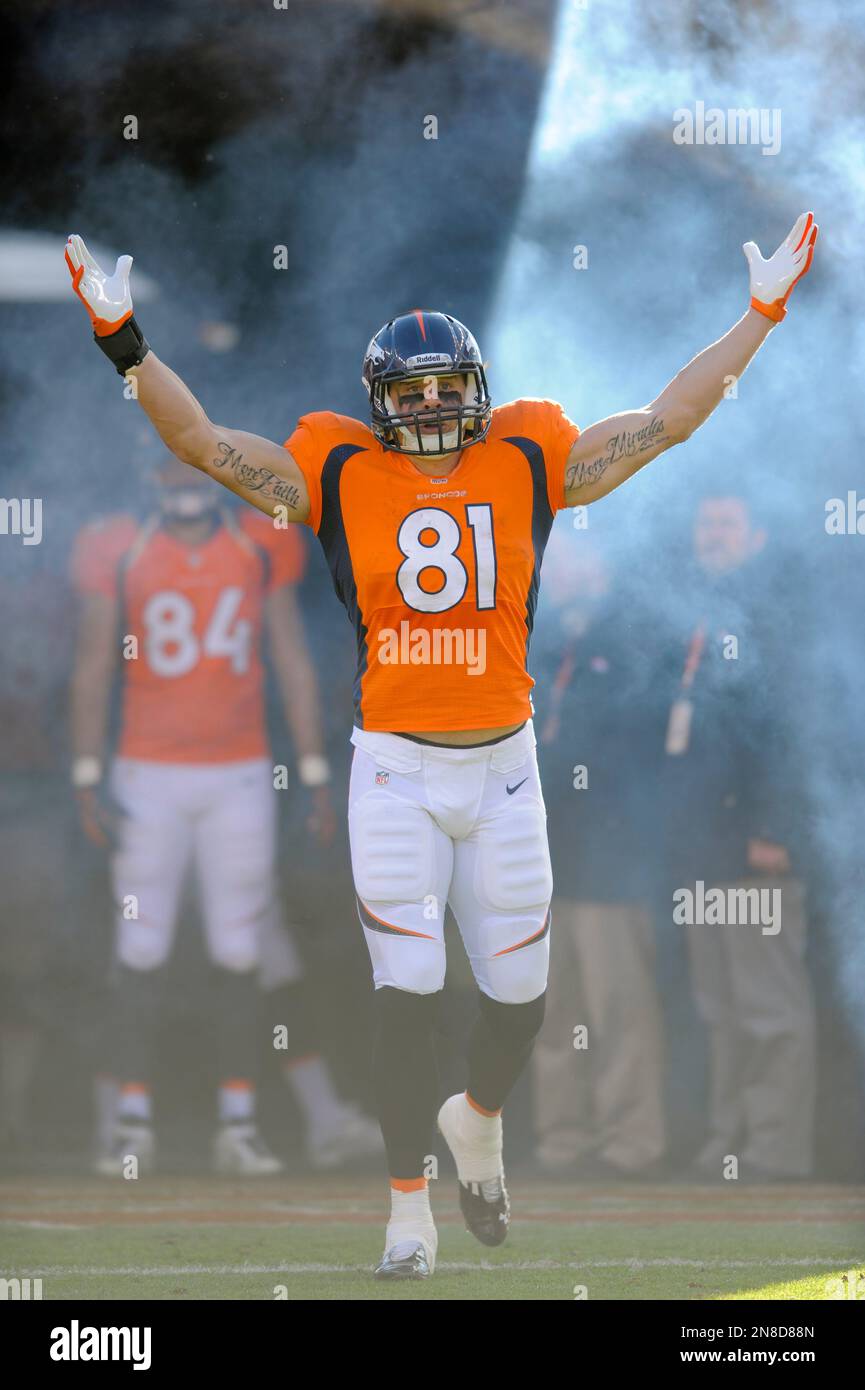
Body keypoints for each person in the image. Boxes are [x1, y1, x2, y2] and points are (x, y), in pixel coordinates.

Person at [64, 211, 817, 1277]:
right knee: (407, 990)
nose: (427, 405)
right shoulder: (332, 465)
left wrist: (760, 316)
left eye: (441, 386)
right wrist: (122, 341)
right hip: (398, 770)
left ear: (475, 385)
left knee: (520, 1003)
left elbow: (667, 418)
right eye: (407, 391)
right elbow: (199, 442)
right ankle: (406, 1211)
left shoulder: (527, 448)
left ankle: (477, 1119)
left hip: (505, 768)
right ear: (377, 402)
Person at [71, 456, 379, 1175]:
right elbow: (93, 662)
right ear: (149, 482)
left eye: (194, 475)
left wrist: (310, 770)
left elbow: (289, 655)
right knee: (140, 949)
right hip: (148, 771)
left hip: (237, 771)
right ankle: (131, 1125)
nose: (184, 489)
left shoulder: (257, 542)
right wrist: (89, 772)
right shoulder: (118, 545)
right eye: (170, 476)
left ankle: (237, 1125)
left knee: (238, 951)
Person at [660, 494, 816, 1180]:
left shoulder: (773, 616)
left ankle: (774, 1149)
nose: (711, 534)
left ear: (756, 536)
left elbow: (794, 732)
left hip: (753, 848)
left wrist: (774, 827)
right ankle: (729, 1145)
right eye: (703, 521)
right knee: (718, 1006)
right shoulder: (693, 611)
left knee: (765, 1006)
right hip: (702, 846)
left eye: (724, 523)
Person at [531, 530, 666, 1178]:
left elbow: (646, 759)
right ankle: (562, 1141)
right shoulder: (539, 636)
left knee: (619, 1011)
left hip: (613, 862)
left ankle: (630, 1144)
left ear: (598, 560)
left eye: (565, 558)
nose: (552, 570)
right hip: (542, 860)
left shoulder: (632, 640)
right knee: (551, 1013)